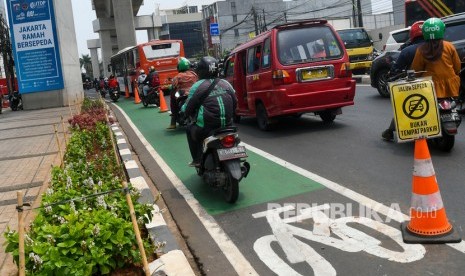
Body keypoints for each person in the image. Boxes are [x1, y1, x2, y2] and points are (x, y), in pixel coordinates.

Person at [182, 56, 237, 167]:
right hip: (228, 125)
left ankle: (197, 159)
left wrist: (184, 114)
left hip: (207, 128)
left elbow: (188, 108)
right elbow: (235, 102)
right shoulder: (226, 83)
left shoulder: (197, 86)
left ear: (200, 71)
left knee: (189, 129)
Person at [382, 21, 425, 141]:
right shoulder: (440, 46)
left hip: (417, 84)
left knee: (402, 107)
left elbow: (396, 68)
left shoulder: (409, 50)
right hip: (439, 83)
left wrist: (392, 73)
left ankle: (391, 131)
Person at [167, 57, 198, 129]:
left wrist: (171, 87)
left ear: (179, 66)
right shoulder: (194, 74)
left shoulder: (178, 76)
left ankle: (173, 122)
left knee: (172, 97)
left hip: (182, 94)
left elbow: (173, 86)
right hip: (193, 93)